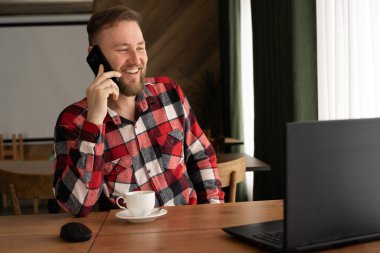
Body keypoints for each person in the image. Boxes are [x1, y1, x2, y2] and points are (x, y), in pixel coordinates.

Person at [53, 5, 224, 217]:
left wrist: (212, 215)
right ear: (94, 56)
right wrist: (94, 123)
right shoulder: (73, 121)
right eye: (123, 50)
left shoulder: (169, 93)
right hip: (121, 242)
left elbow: (202, 156)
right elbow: (76, 206)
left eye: (140, 48)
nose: (136, 60)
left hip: (185, 232)